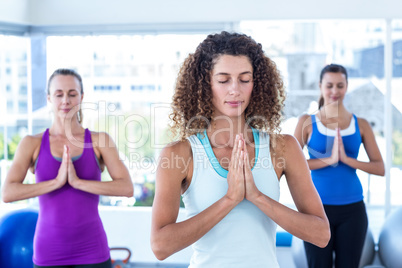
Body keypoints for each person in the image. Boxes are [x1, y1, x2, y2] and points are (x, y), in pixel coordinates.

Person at [150, 31, 330, 268]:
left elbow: (321, 234)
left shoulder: (283, 148)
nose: (235, 89)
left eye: (244, 79)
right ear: (205, 84)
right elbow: (161, 246)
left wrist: (256, 197)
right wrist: (230, 199)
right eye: (223, 80)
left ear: (256, 84)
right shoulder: (179, 154)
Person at [2, 69, 134, 268]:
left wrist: (78, 182)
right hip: (49, 251)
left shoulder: (99, 141)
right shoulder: (32, 143)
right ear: (49, 98)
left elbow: (126, 188)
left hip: (92, 250)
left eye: (72, 94)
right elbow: (8, 192)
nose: (66, 100)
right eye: (59, 94)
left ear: (81, 97)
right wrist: (56, 182)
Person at [294, 63, 385, 268]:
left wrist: (347, 159)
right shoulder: (306, 122)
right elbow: (290, 165)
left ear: (346, 86)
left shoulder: (360, 124)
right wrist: (329, 160)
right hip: (315, 209)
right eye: (329, 85)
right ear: (320, 86)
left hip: (353, 210)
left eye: (340, 85)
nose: (335, 91)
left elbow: (380, 168)